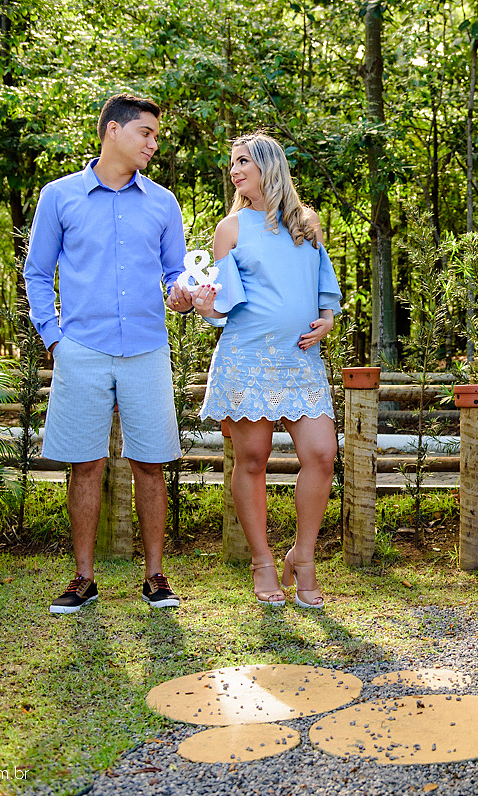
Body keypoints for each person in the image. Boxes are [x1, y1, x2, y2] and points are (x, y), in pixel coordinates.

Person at [25, 93, 197, 614]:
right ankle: (83, 577)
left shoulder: (163, 202)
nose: (153, 143)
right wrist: (54, 336)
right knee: (86, 465)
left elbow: (174, 275)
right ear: (112, 131)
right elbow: (37, 271)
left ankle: (155, 577)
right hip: (82, 348)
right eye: (145, 132)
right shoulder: (59, 196)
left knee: (151, 464)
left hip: (146, 348)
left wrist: (183, 294)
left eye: (156, 135)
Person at [187, 132, 341, 609]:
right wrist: (198, 304)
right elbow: (224, 305)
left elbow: (324, 287)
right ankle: (263, 562)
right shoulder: (229, 228)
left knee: (322, 455)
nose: (234, 171)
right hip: (247, 359)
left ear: (269, 167)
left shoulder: (307, 223)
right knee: (251, 461)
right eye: (232, 164)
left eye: (243, 162)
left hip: (300, 361)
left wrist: (328, 320)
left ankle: (304, 556)